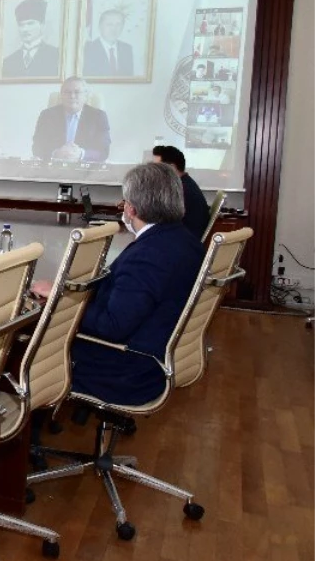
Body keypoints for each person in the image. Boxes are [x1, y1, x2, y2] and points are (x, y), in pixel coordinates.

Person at [32, 162, 204, 405]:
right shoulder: (186, 242)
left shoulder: (148, 256)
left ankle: (22, 426)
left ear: (131, 209)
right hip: (155, 354)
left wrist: (59, 297)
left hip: (126, 371)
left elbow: (112, 326)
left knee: (25, 347)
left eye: (124, 203)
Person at [31, 77, 111, 163]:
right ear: (61, 95)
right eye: (67, 92)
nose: (72, 96)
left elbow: (104, 151)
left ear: (85, 96)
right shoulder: (47, 115)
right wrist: (56, 153)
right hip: (54, 168)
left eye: (77, 92)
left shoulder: (98, 116)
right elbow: (37, 147)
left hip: (85, 171)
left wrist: (81, 154)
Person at [151, 145, 211, 238]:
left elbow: (161, 219)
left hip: (183, 243)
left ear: (171, 168)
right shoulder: (184, 183)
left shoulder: (181, 189)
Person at [1, 0, 61, 78]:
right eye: (21, 25)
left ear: (42, 25)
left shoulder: (56, 56)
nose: (25, 29)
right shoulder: (8, 62)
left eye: (30, 23)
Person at [82, 9, 135, 77]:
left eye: (118, 24)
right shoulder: (88, 49)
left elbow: (129, 78)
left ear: (122, 27)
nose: (114, 29)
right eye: (109, 24)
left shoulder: (127, 49)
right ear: (100, 26)